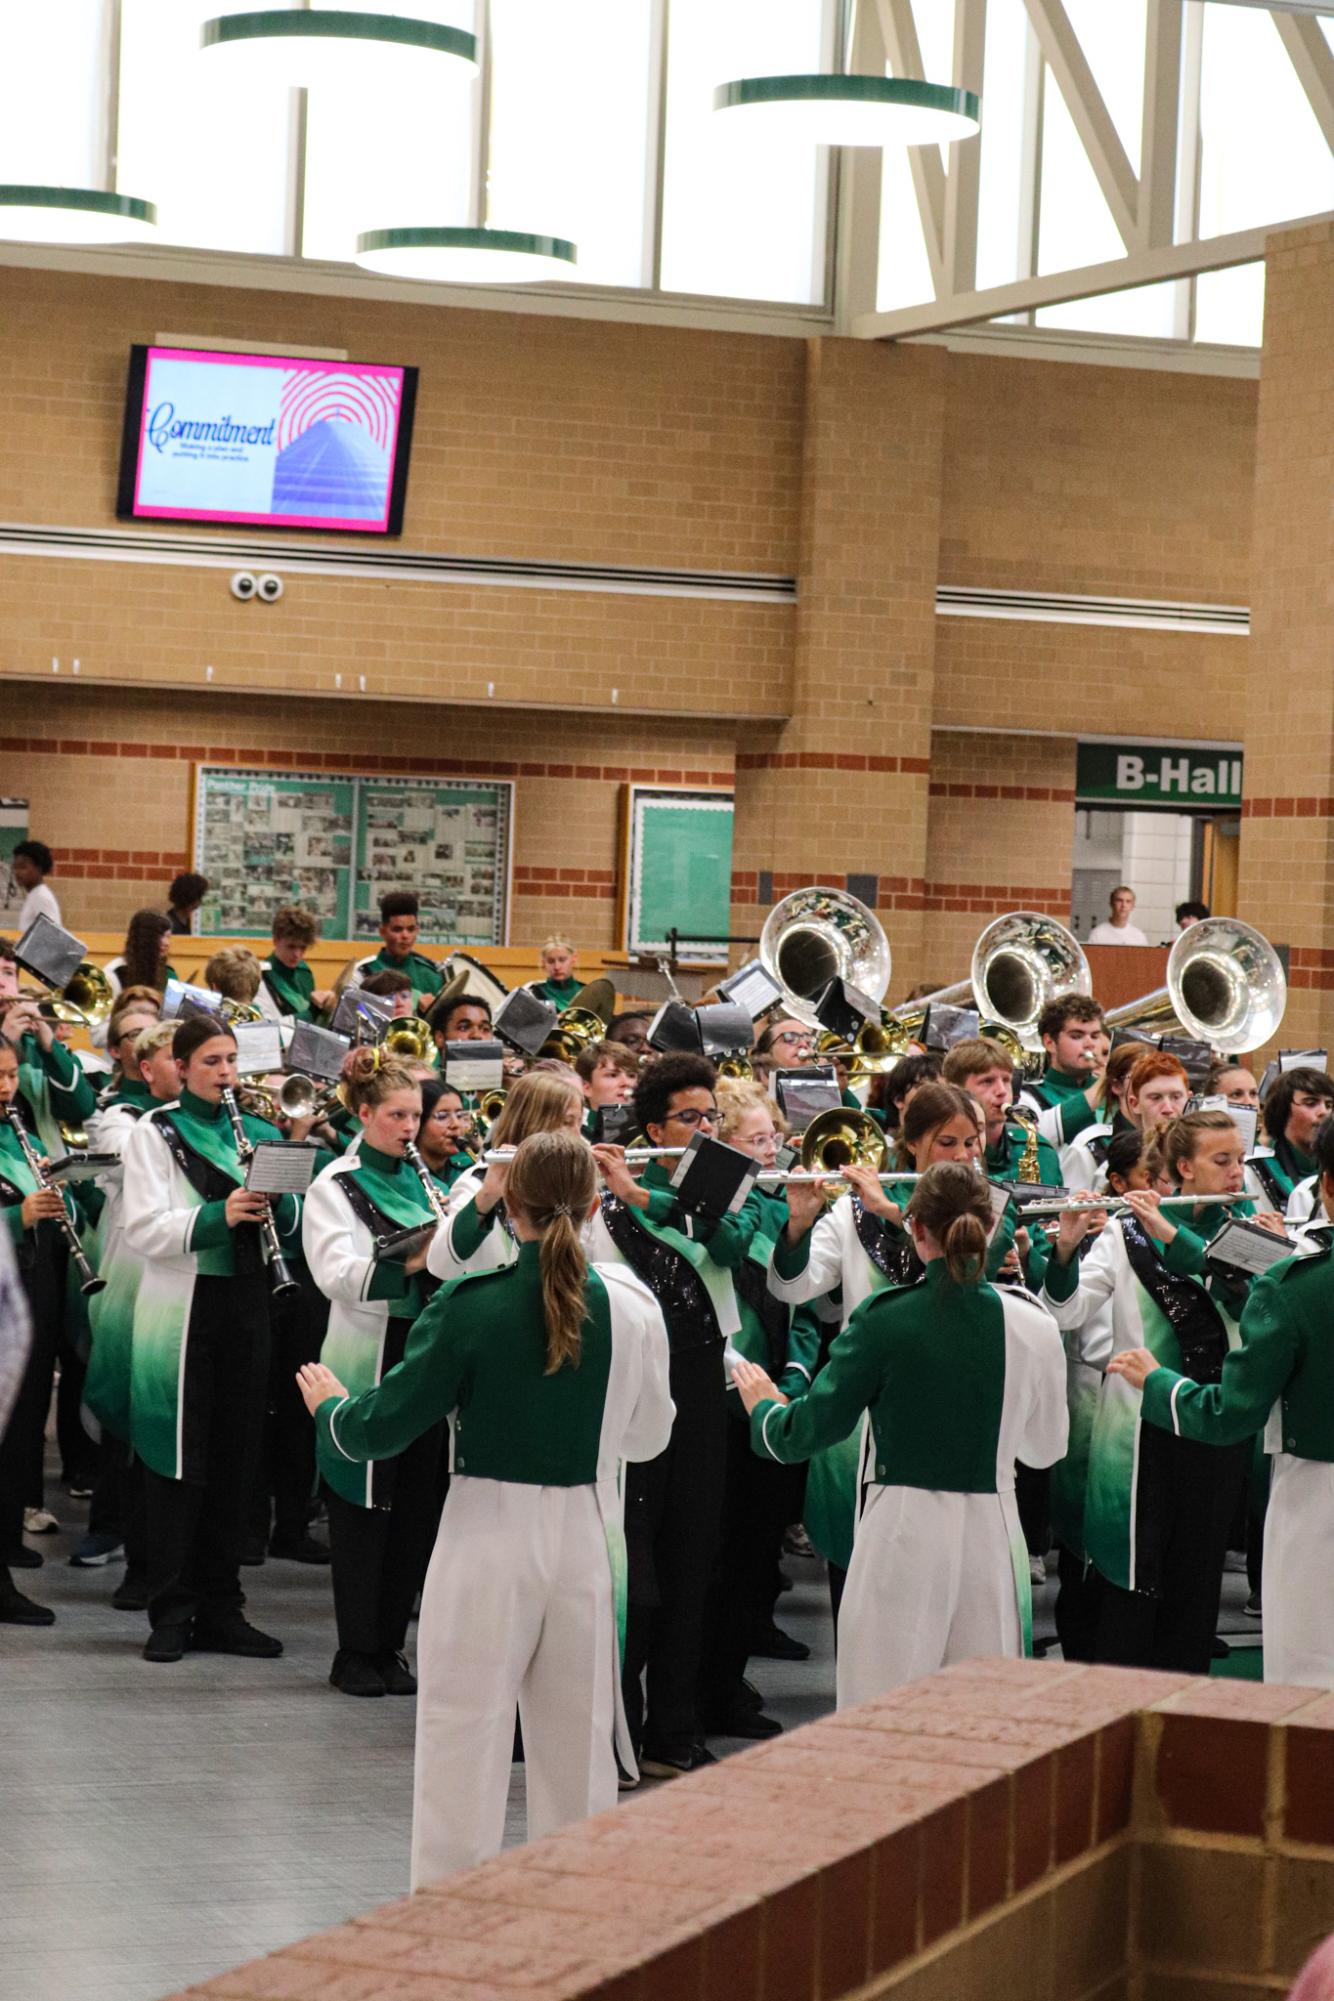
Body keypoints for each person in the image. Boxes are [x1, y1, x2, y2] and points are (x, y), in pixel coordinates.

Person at [297, 1128, 673, 1882]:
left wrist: (333, 1411)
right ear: (596, 1202)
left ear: (510, 1208)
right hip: (588, 1537)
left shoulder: (471, 1304)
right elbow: (650, 1435)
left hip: (486, 1535)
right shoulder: (632, 1305)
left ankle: (448, 1918)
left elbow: (385, 1424)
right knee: (577, 1745)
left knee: (461, 1734)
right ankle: (574, 1925)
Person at [734, 1161, 1067, 1701]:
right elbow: (1046, 1446)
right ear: (989, 1227)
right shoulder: (1033, 1322)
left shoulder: (883, 1316)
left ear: (915, 1228)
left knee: (883, 1705)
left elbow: (806, 1431)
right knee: (982, 1713)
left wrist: (766, 1410)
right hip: (994, 1533)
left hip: (901, 1531)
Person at [1041, 1108, 1284, 1672]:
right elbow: (1068, 1311)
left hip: (1216, 1425)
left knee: (1196, 1576)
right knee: (1133, 1572)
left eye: (1239, 1161)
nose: (1234, 1173)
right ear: (1181, 1167)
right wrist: (1063, 1250)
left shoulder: (1247, 1230)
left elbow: (1248, 1305)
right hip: (1139, 1430)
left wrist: (1275, 1253)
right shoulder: (1126, 1234)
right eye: (1221, 1161)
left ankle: (1183, 1701)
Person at [766, 1081, 1019, 1621]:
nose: (964, 1157)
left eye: (972, 1143)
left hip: (962, 1410)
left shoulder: (991, 1206)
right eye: (948, 1143)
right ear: (911, 1146)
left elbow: (963, 1274)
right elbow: (795, 1287)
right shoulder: (851, 1214)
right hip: (868, 1421)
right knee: (862, 1584)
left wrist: (891, 1210)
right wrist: (799, 1222)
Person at [1109, 1113, 1334, 1689]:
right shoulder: (1290, 1269)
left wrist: (1158, 1383)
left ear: (1325, 1185)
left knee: (1309, 1664)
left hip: (1317, 1495)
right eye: (1223, 1161)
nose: (1236, 1172)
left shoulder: (1296, 1285)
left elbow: (1231, 1412)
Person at [585, 1053, 762, 1777]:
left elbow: (731, 1240)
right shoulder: (607, 1211)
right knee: (638, 1563)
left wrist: (647, 1195)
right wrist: (623, 1191)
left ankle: (674, 1725)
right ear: (654, 1126)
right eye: (691, 1118)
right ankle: (617, 1724)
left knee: (695, 1559)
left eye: (712, 1115)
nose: (706, 1127)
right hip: (634, 1388)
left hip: (701, 1385)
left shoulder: (724, 1180)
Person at [120, 1014, 301, 1664]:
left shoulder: (256, 1132)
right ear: (183, 1064)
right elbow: (143, 1228)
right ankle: (171, 1608)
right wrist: (217, 1213)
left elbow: (293, 1214)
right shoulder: (154, 1131)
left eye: (232, 1060)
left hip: (249, 1301)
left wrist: (281, 1202)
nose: (227, 1072)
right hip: (185, 1306)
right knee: (179, 1461)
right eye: (213, 1061)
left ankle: (224, 1607)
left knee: (235, 1459)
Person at [301, 1049, 444, 1697]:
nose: (409, 1127)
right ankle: (354, 1648)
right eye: (396, 1115)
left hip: (426, 1350)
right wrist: (414, 1263)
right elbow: (335, 1273)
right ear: (364, 1114)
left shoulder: (430, 1177)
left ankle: (390, 1646)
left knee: (416, 1502)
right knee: (364, 1504)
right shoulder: (336, 1181)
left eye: (416, 1115)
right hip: (367, 1349)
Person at [699, 1081, 820, 1738]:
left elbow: (803, 1306)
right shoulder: (708, 1206)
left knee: (753, 1554)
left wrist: (796, 1373)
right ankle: (700, 1687)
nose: (770, 1150)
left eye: (774, 1136)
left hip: (773, 1397)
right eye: (755, 1140)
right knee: (713, 1556)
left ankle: (728, 1679)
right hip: (717, 1399)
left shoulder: (783, 1207)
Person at [0, 999, 98, 1624]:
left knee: (22, 1428)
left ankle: (6, 1545)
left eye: (10, 1077)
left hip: (29, 1291)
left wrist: (69, 1197)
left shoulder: (21, 1131)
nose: (6, 1088)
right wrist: (16, 1214)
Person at [78, 1020, 179, 1594]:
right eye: (176, 1059)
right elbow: (127, 1156)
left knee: (165, 1424)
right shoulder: (122, 1117)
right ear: (147, 1068)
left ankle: (159, 1559)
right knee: (126, 1418)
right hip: (129, 1283)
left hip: (179, 1285)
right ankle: (121, 1538)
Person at [428, 1071, 585, 1281]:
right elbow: (440, 1265)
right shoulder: (476, 1181)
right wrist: (487, 1196)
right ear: (533, 1122)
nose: (578, 1136)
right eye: (567, 1123)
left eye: (578, 1123)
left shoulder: (577, 1179)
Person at [943, 1036, 1063, 1186]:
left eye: (1006, 1080)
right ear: (955, 1089)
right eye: (987, 1081)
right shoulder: (943, 1152)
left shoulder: (1041, 1152)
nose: (1002, 1091)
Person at [1020, 993, 1109, 1153]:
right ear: (1050, 1043)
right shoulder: (1027, 1097)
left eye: (1095, 1036)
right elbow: (1037, 1138)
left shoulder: (1114, 1091)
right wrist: (1104, 1084)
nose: (1090, 1044)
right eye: (1077, 1036)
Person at [1247, 1066, 1334, 1213]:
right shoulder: (1255, 1169)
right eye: (1310, 1103)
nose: (1324, 1112)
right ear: (1283, 1110)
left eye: (1329, 1105)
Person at [351, 893, 443, 1008]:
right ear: (382, 932)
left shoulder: (431, 974)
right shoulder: (363, 972)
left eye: (411, 929)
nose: (405, 936)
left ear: (417, 930)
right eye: (397, 929)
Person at [262, 906, 335, 1021]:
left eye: (303, 947)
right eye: (291, 946)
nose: (297, 954)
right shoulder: (262, 975)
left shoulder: (304, 971)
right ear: (275, 940)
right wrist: (313, 1010)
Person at [414, 1077, 476, 1194]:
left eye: (459, 1115)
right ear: (419, 1121)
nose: (456, 1124)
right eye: (442, 1116)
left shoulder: (468, 1166)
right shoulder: (403, 1173)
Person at [104, 909, 176, 1002]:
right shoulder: (115, 972)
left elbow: (172, 1011)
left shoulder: (168, 973)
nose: (166, 943)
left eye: (168, 937)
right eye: (160, 936)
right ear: (144, 939)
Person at [576, 1039, 639, 1132]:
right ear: (586, 1088)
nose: (626, 1083)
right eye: (613, 1075)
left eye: (631, 1075)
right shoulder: (577, 1134)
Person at [11, 840, 60, 934]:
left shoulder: (41, 897)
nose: (17, 872)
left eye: (23, 867)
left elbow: (52, 937)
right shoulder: (34, 895)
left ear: (39, 868)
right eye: (15, 867)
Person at [526, 936, 582, 1011]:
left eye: (562, 960)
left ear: (574, 959)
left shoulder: (587, 992)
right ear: (543, 963)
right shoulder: (532, 992)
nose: (557, 967)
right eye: (551, 961)